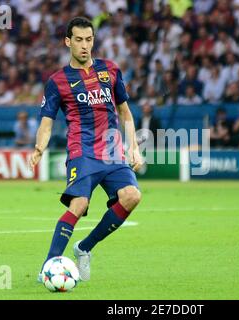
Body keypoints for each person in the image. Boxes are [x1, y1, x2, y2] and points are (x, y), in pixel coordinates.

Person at [29, 17, 143, 283]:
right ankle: (48, 266)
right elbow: (47, 122)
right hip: (83, 152)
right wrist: (39, 147)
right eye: (78, 40)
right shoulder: (57, 81)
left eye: (89, 40)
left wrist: (134, 147)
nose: (84, 46)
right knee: (79, 204)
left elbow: (125, 112)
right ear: (68, 42)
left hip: (113, 153)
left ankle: (84, 248)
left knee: (132, 196)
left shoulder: (111, 71)